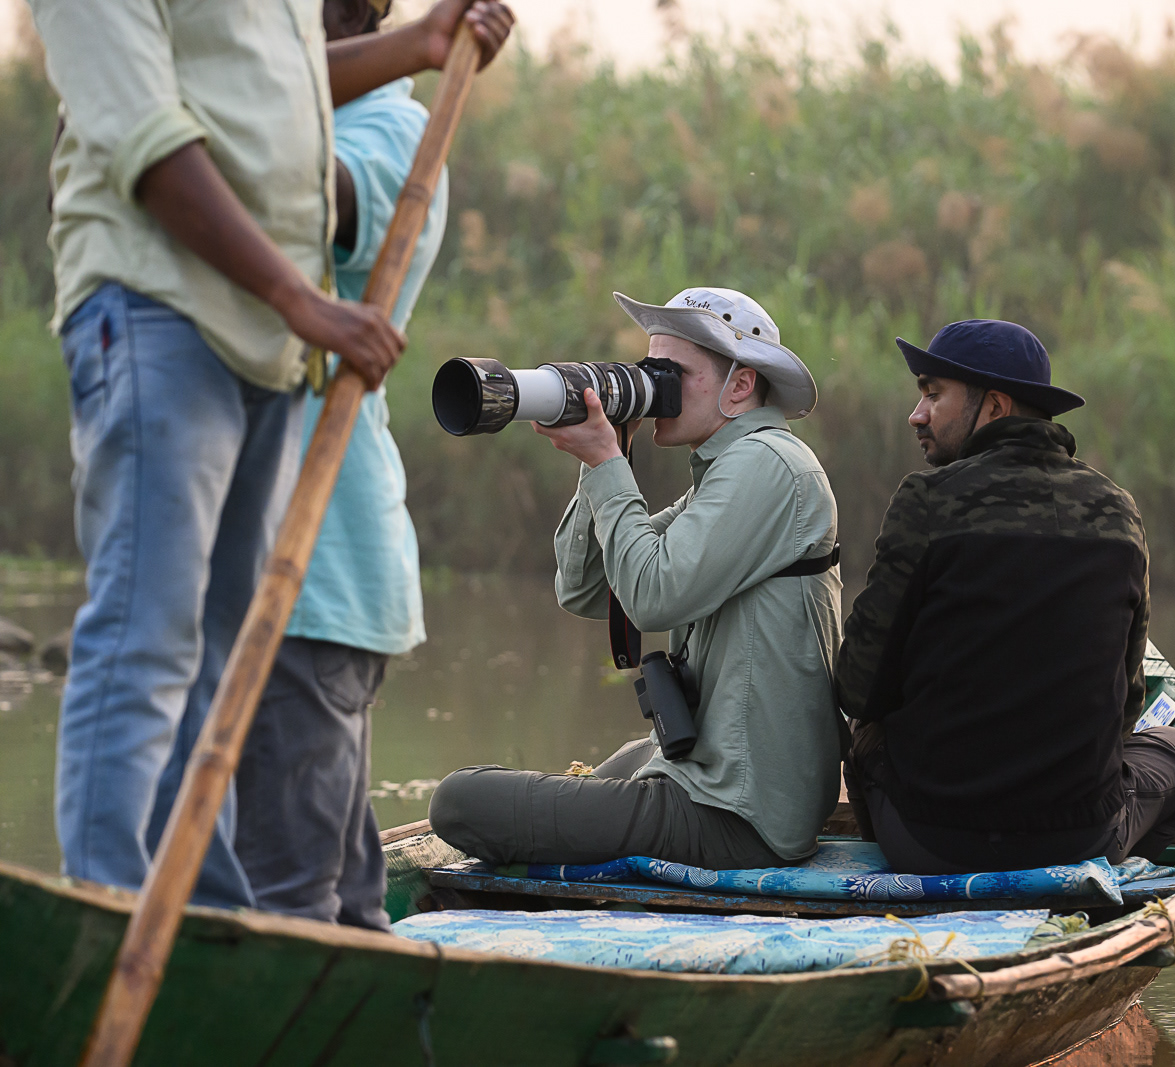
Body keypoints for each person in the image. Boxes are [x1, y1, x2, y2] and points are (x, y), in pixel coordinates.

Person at [32, 0, 513, 907]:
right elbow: (165, 134)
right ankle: (117, 918)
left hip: (326, 552)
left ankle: (207, 929)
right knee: (151, 648)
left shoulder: (388, 118)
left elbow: (262, 109)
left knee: (220, 698)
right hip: (177, 316)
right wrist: (297, 295)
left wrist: (415, 48)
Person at [430, 287, 843, 870]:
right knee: (618, 763)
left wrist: (608, 467)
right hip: (716, 783)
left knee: (458, 801)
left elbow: (652, 597)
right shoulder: (727, 471)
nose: (655, 391)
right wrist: (600, 457)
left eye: (671, 375)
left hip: (736, 815)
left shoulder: (769, 466)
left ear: (742, 385)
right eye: (649, 371)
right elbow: (586, 589)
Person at [232, 0, 463, 932]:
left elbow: (302, 190)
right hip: (291, 563)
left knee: (289, 903)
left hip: (320, 561)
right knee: (341, 894)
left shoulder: (390, 127)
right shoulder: (338, 115)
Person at [835, 319, 1175, 875]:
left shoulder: (927, 502)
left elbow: (858, 687)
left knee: (868, 735)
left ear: (995, 406)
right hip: (1078, 839)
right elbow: (1124, 706)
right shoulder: (1117, 512)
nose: (917, 414)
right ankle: (1108, 890)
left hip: (928, 844)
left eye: (934, 395)